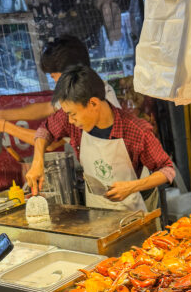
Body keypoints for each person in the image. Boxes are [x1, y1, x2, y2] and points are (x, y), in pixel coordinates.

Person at [25, 65, 175, 212]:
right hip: (96, 212)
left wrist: (131, 186)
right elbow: (45, 130)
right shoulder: (70, 120)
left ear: (93, 103)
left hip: (132, 212)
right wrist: (38, 161)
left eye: (73, 114)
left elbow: (167, 170)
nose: (70, 120)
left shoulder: (136, 130)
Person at [0, 34, 120, 147]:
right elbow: (48, 108)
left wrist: (2, 126)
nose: (57, 84)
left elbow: (50, 142)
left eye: (56, 79)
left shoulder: (91, 99)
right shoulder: (86, 89)